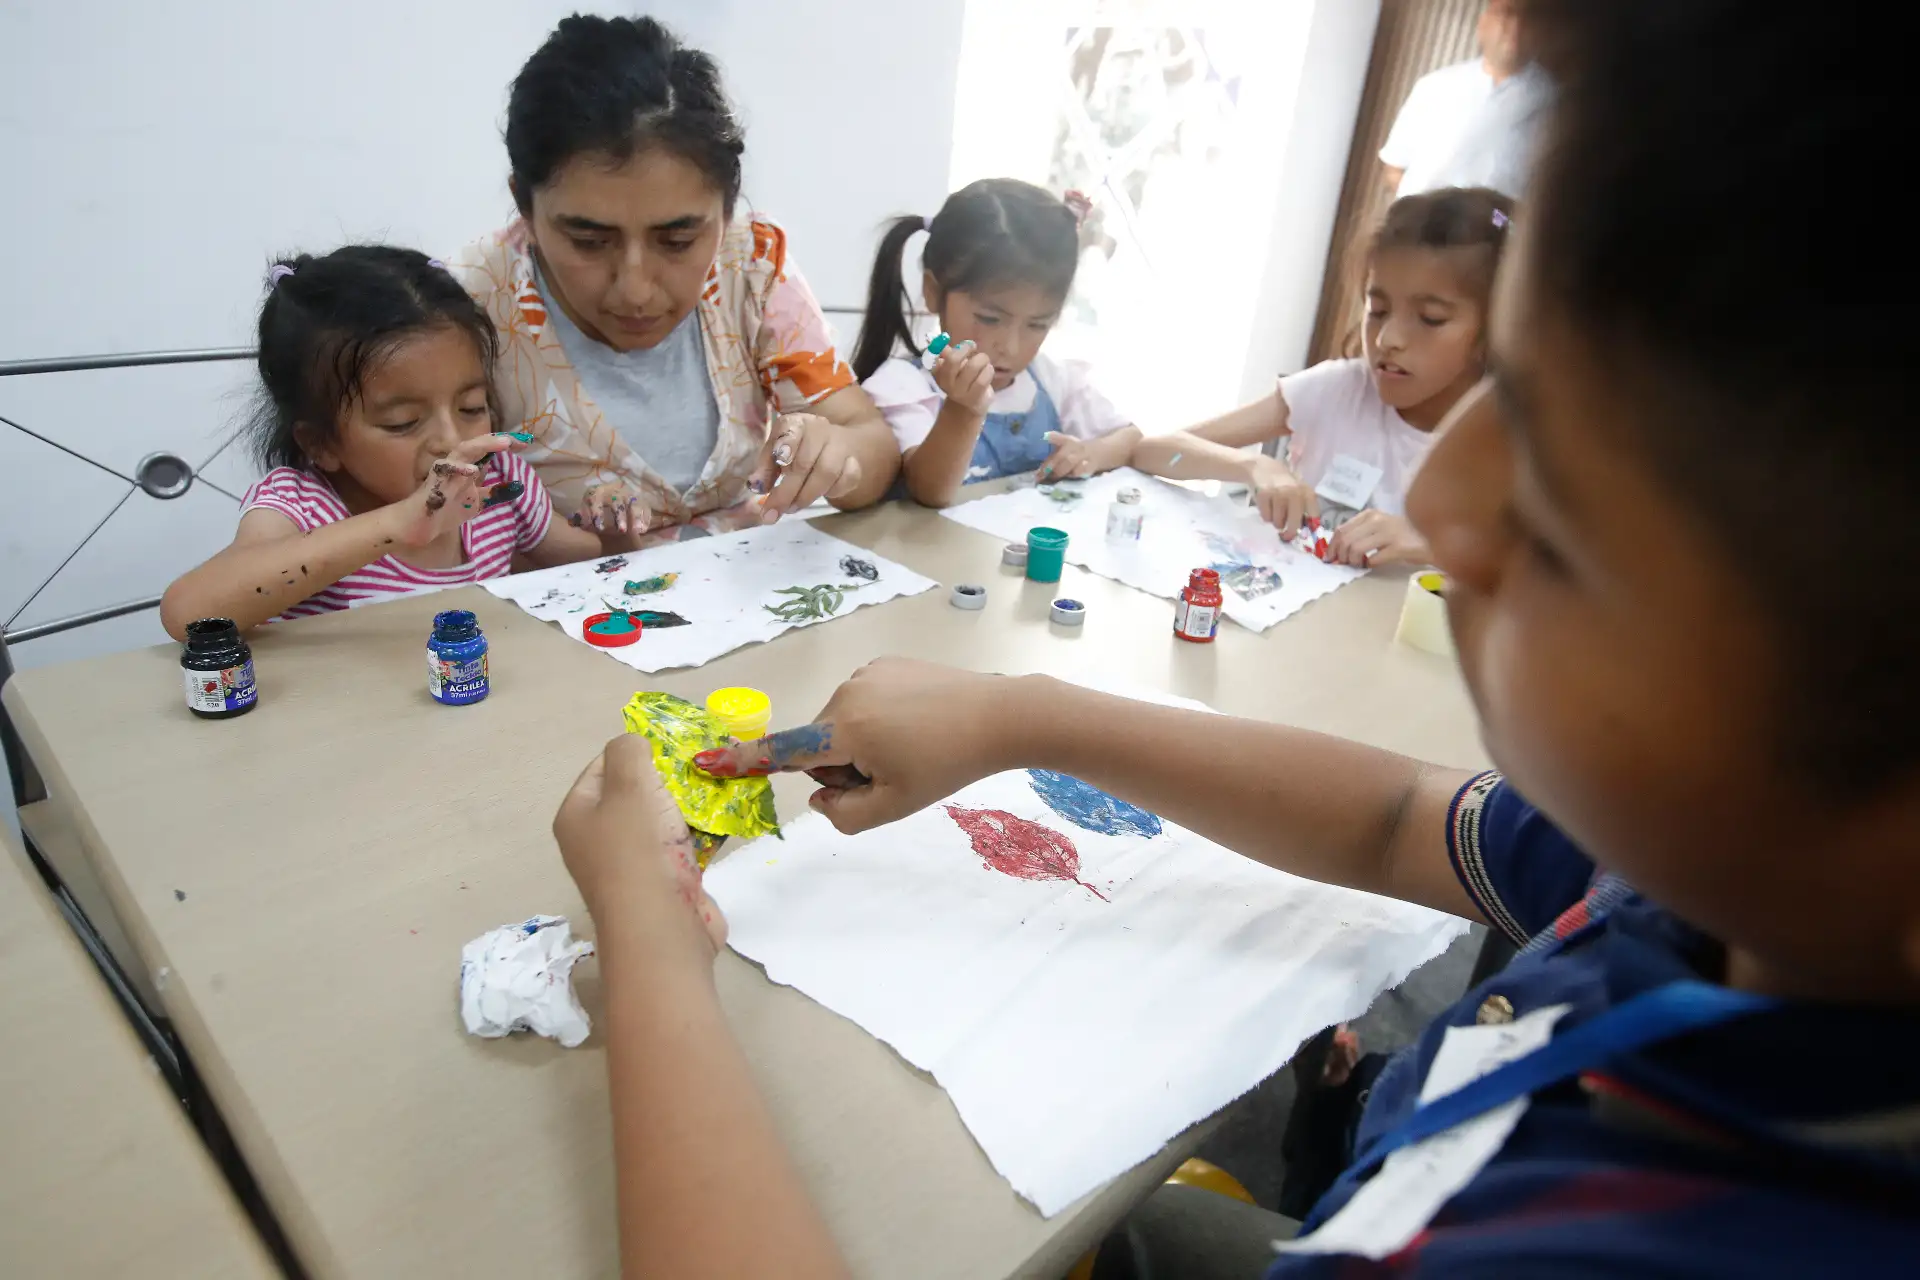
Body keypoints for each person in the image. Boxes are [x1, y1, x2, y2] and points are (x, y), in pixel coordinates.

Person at [552, 0, 1916, 1273]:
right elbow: (1403, 816)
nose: (1447, 496)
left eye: (1568, 443)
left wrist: (651, 961)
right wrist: (1018, 716)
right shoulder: (1700, 878)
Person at [447, 15, 899, 548]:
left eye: (678, 241)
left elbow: (870, 440)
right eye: (589, 241)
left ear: (727, 211)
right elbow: (422, 526)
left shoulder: (750, 265)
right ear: (524, 206)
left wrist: (836, 458)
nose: (635, 290)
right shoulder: (464, 307)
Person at [161, 247, 600, 636]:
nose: (451, 439)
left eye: (470, 407)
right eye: (402, 423)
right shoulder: (303, 507)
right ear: (320, 443)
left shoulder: (498, 484)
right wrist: (397, 524)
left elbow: (590, 564)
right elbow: (188, 614)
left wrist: (614, 533)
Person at [1132, 187, 1511, 568]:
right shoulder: (1337, 390)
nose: (1387, 339)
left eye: (1430, 319)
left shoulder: (1511, 442)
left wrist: (1431, 545)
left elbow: (1536, 573)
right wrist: (1253, 467)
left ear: (1496, 328)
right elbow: (1156, 452)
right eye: (1377, 310)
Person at [853, 180, 1142, 508]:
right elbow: (930, 491)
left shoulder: (1052, 380)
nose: (1011, 347)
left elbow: (1131, 437)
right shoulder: (903, 387)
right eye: (990, 319)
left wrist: (1090, 453)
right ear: (933, 291)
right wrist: (963, 408)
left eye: (1037, 325)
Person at [1379, 0, 1544, 200]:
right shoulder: (1434, 86)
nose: (1515, 27)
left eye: (1527, 18)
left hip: (1495, 218)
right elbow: (1394, 166)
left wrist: (1499, 219)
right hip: (1419, 213)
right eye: (1506, 14)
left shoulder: (1554, 106)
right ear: (1483, 24)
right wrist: (1415, 206)